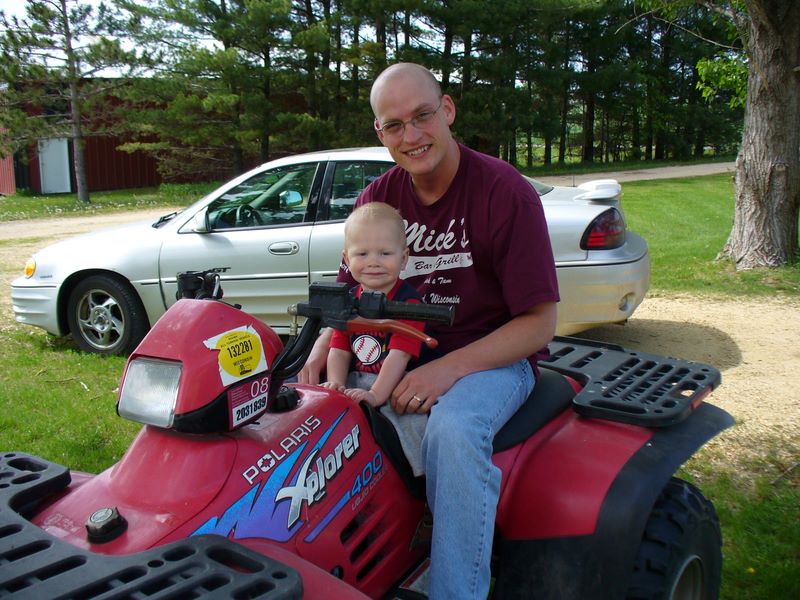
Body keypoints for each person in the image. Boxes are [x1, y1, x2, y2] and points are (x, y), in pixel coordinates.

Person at [300, 62, 559, 599]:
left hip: (490, 359)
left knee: (454, 430)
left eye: (422, 116)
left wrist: (448, 369)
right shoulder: (380, 196)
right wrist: (322, 345)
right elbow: (350, 291)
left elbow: (539, 323)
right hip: (394, 353)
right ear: (380, 132)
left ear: (447, 110)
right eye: (394, 125)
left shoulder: (504, 192)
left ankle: (454, 589)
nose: (411, 135)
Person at [321, 202, 433, 409]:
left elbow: (399, 356)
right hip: (355, 381)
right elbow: (339, 349)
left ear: (404, 258)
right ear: (347, 258)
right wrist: (336, 383)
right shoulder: (347, 301)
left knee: (405, 428)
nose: (373, 262)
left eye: (385, 253)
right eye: (362, 254)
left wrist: (375, 395)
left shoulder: (409, 304)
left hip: (397, 385)